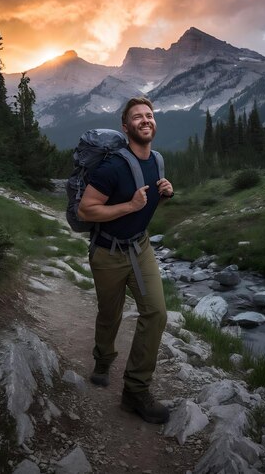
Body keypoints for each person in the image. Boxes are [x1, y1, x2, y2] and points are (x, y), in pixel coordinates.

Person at [78, 97, 174, 424]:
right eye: (137, 117)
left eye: (149, 115)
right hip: (107, 252)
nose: (145, 120)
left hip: (141, 247)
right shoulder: (113, 167)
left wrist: (164, 192)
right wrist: (129, 207)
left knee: (157, 312)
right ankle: (103, 360)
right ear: (126, 126)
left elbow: (144, 205)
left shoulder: (157, 160)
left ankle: (135, 390)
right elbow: (86, 209)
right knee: (110, 313)